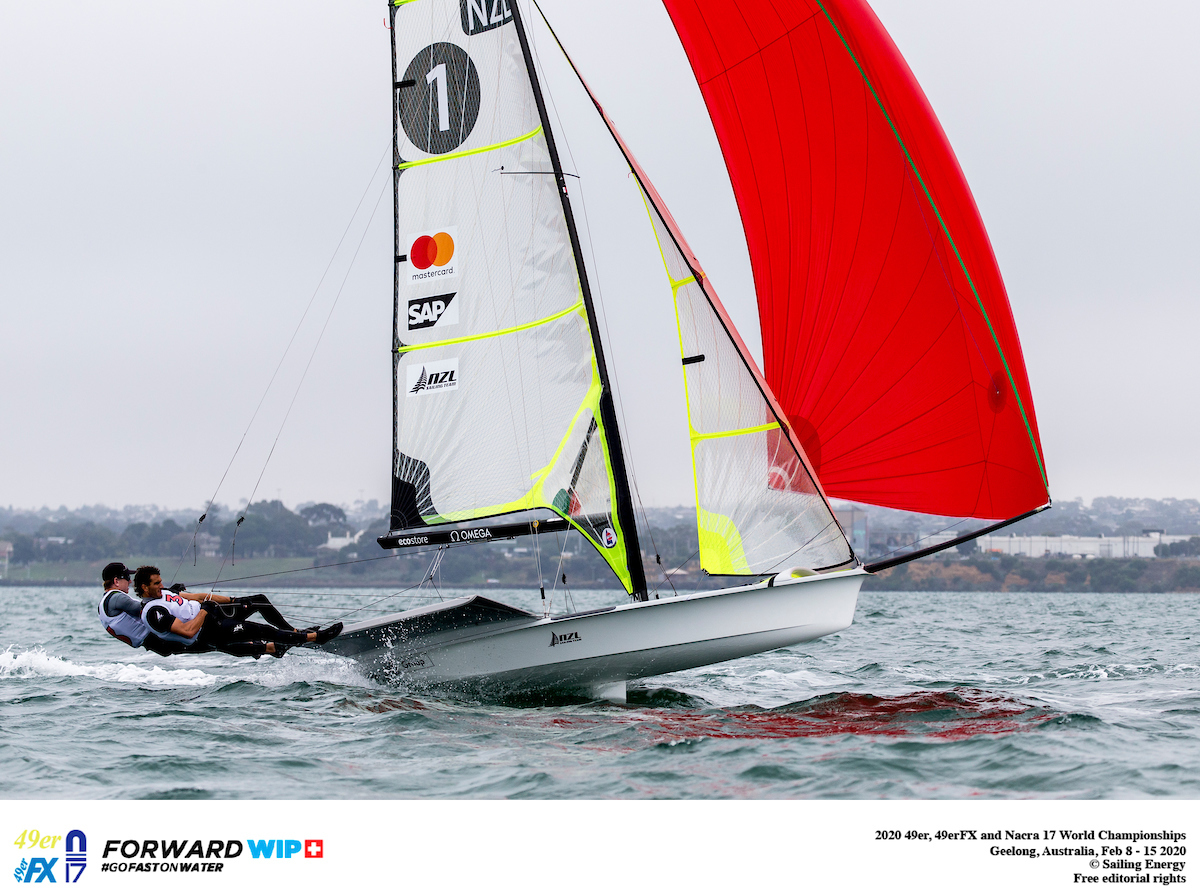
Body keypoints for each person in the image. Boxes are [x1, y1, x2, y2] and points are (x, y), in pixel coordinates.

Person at [132, 565, 342, 660]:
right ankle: (316, 638)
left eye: (161, 581)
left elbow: (199, 597)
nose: (161, 586)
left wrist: (233, 600)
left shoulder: (165, 593)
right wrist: (204, 611)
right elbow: (187, 631)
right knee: (261, 630)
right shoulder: (153, 612)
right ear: (144, 587)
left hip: (215, 616)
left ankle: (295, 634)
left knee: (259, 602)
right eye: (157, 583)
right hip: (208, 631)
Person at [97, 562, 190, 656]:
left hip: (152, 644)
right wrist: (169, 593)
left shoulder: (104, 602)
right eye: (127, 577)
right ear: (116, 581)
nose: (130, 581)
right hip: (159, 639)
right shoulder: (117, 598)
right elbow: (148, 609)